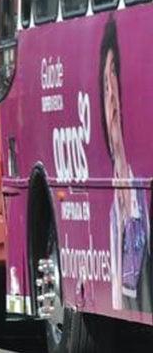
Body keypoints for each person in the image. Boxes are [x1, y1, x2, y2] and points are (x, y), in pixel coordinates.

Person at [100, 17, 151, 312]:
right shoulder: (113, 213)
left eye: (114, 84)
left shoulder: (142, 199)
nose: (112, 100)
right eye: (106, 89)